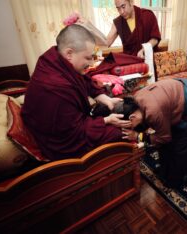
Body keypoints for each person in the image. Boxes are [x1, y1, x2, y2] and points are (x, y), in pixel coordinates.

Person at [21, 24, 131, 161]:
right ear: (69, 54)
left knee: (104, 107)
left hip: (66, 122)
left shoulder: (55, 58)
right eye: (88, 58)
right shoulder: (56, 87)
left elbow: (84, 80)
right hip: (59, 142)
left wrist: (106, 99)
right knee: (118, 134)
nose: (91, 63)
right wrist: (106, 121)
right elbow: (75, 131)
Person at [114, 78, 187, 187]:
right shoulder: (137, 98)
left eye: (128, 126)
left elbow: (164, 138)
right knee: (170, 140)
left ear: (132, 117)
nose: (131, 128)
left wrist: (138, 136)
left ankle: (174, 180)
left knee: (181, 146)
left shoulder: (153, 112)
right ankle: (170, 169)